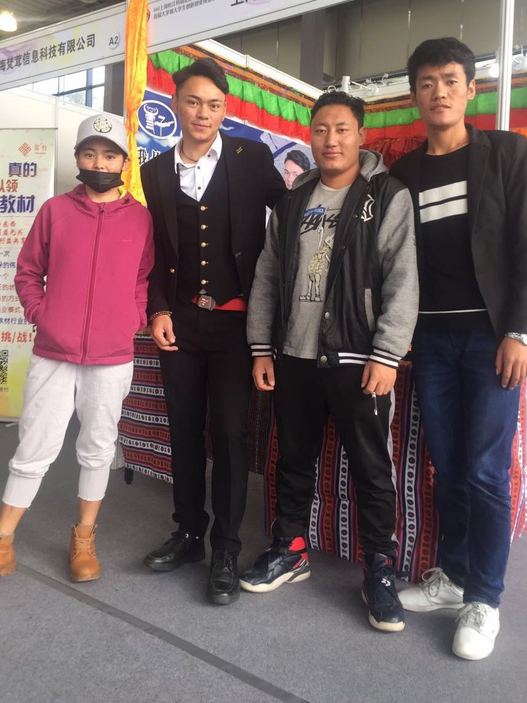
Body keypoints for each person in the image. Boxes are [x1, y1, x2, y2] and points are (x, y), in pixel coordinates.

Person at [240, 91, 418, 632]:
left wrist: (387, 353)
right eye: (321, 129)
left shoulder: (386, 195)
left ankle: (380, 569)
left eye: (342, 129)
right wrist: (262, 346)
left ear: (361, 135)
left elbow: (403, 278)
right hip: (294, 354)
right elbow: (267, 276)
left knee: (371, 466)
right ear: (310, 135)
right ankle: (290, 549)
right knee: (293, 458)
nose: (331, 140)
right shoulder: (294, 200)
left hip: (359, 357)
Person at [390, 37, 527, 660]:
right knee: (448, 465)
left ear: (470, 90)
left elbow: (526, 246)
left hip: (490, 339)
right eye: (427, 83)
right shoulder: (405, 173)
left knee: (484, 470)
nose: (440, 92)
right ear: (415, 95)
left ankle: (485, 597)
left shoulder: (505, 153)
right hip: (430, 340)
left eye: (450, 80)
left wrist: (520, 332)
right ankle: (452, 578)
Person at [141, 57, 285, 605]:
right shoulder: (156, 170)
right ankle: (187, 533)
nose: (203, 113)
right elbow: (155, 252)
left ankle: (225, 545)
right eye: (194, 102)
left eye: (215, 105)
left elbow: (291, 217)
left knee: (227, 433)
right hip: (180, 323)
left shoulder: (252, 158)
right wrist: (158, 309)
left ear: (226, 110)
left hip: (236, 325)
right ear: (175, 103)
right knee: (183, 429)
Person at [0, 113, 154, 582]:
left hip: (112, 356)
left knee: (98, 446)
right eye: (89, 153)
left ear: (124, 162)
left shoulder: (141, 219)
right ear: (78, 158)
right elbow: (28, 271)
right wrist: (41, 313)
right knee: (35, 443)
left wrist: (132, 318)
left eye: (109, 155)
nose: (99, 163)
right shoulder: (55, 211)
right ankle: (4, 536)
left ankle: (84, 536)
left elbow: (142, 279)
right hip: (54, 351)